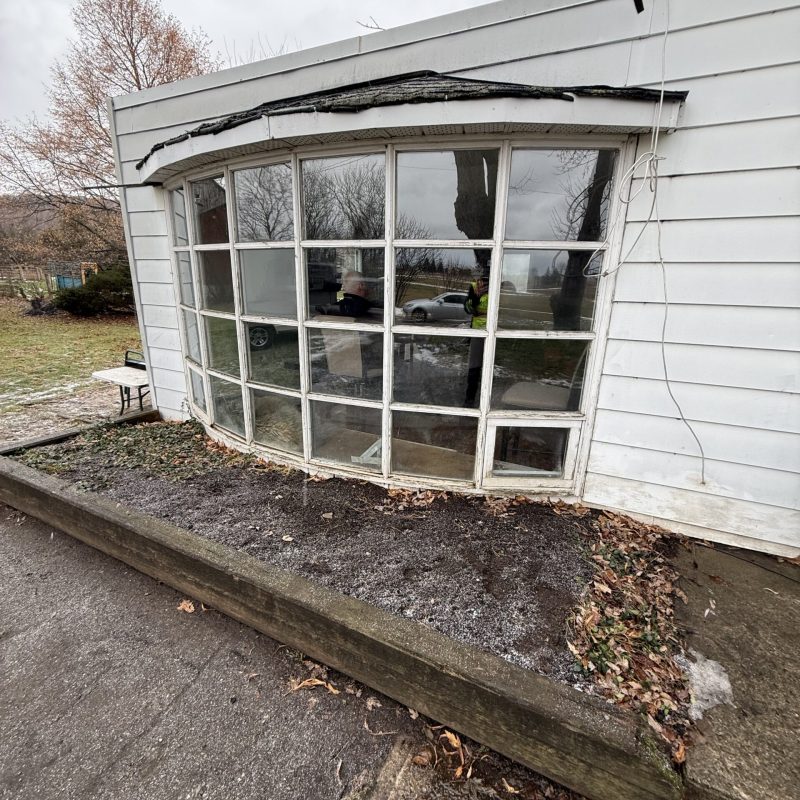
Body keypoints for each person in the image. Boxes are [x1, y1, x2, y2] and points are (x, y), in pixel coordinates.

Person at [464, 273, 489, 407]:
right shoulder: (474, 286)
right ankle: (470, 399)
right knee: (475, 366)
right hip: (478, 331)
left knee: (489, 366)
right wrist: (476, 298)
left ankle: (486, 398)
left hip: (495, 331)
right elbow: (468, 308)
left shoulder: (499, 284)